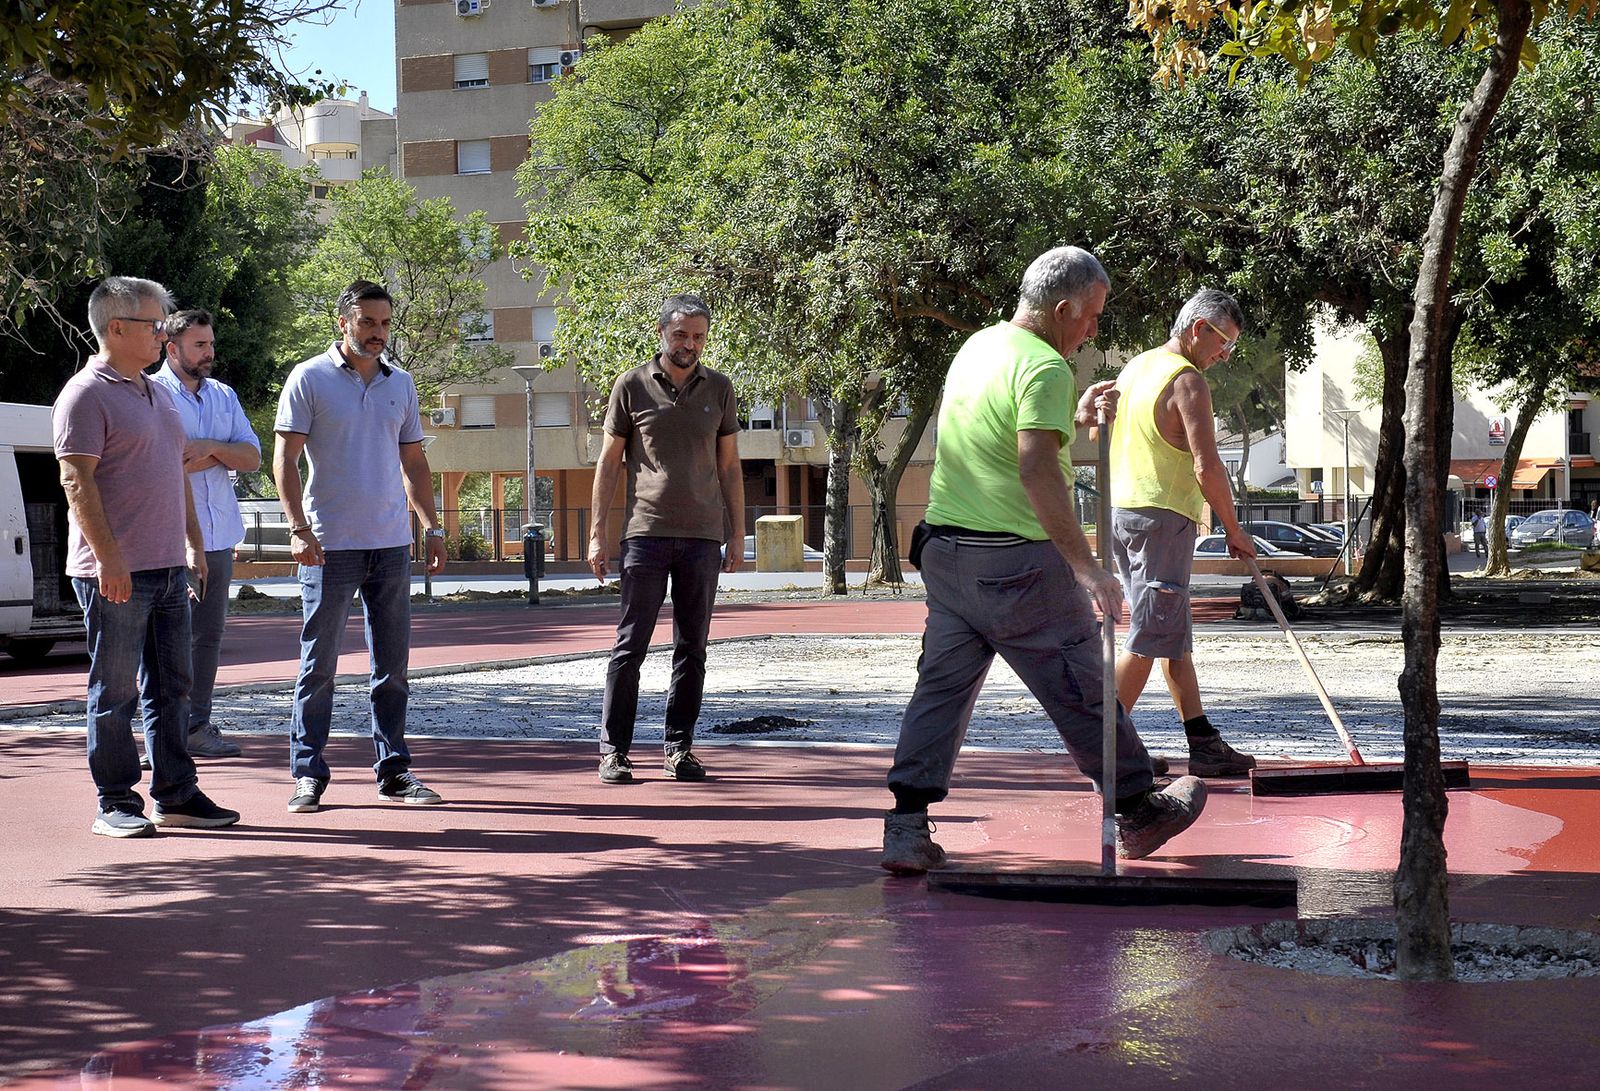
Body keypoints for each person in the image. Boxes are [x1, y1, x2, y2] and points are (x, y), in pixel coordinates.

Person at [882, 246, 1207, 874]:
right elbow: (1035, 467)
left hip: (947, 555)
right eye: (1090, 317)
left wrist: (1077, 416)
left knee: (941, 690)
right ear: (1063, 309)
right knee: (1081, 682)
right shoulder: (1046, 367)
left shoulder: (979, 347)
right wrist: (1085, 565)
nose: (1093, 330)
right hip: (1018, 563)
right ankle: (1137, 808)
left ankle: (905, 826)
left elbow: (1009, 438)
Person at [52, 276, 241, 838]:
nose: (164, 334)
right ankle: (115, 802)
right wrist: (109, 561)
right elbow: (75, 479)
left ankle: (176, 794)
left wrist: (192, 542)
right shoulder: (85, 394)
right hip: (116, 573)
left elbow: (175, 472)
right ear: (116, 328)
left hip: (167, 567)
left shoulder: (156, 393)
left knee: (172, 687)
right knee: (115, 694)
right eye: (156, 325)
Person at [273, 280, 447, 814]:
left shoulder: (403, 384)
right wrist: (299, 529)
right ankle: (308, 775)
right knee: (319, 665)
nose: (378, 333)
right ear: (343, 322)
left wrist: (433, 526)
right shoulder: (309, 378)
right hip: (330, 546)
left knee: (392, 667)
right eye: (368, 322)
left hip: (391, 544)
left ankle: (394, 772)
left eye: (385, 323)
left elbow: (414, 462)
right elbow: (284, 458)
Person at [587, 293, 744, 785]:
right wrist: (596, 533)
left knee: (692, 647)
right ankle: (614, 752)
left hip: (702, 538)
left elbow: (730, 466)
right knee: (629, 646)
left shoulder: (719, 388)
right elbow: (609, 463)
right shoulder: (631, 386)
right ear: (662, 334)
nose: (689, 344)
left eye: (698, 336)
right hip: (646, 535)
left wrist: (735, 533)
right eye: (681, 335)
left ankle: (679, 749)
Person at [1109, 288, 1258, 779]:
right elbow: (1206, 464)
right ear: (1199, 329)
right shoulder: (1187, 380)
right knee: (1152, 635)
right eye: (1224, 343)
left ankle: (1203, 741)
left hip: (1124, 515)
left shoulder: (1137, 366)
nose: (1225, 354)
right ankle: (1104, 748)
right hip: (1161, 519)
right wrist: (1234, 529)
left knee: (1172, 633)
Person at [144, 309, 259, 760]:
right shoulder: (150, 394)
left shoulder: (224, 396)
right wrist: (221, 452)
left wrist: (210, 448)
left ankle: (195, 727)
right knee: (161, 641)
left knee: (208, 637)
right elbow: (166, 461)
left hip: (220, 536)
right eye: (199, 346)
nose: (209, 353)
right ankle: (160, 734)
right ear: (171, 349)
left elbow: (250, 456)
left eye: (210, 344)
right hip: (167, 538)